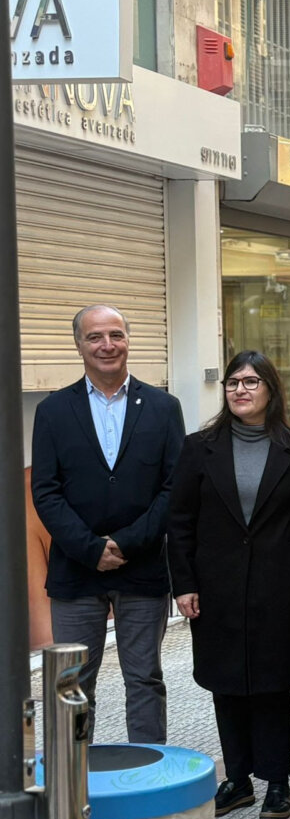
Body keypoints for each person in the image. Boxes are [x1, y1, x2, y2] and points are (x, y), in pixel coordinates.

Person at [168, 352, 290, 819]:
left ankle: (277, 781)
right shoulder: (198, 447)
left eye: (252, 382)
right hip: (217, 586)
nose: (241, 390)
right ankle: (237, 779)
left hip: (279, 586)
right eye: (233, 382)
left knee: (270, 684)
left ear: (271, 389)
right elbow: (181, 520)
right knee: (226, 683)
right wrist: (184, 583)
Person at [31, 304, 185, 744]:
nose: (107, 345)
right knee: (70, 685)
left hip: (143, 569)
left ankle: (149, 774)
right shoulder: (53, 410)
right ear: (78, 344)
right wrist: (90, 548)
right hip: (75, 571)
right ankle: (72, 781)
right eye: (95, 336)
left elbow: (173, 488)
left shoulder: (162, 407)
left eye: (116, 334)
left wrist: (125, 544)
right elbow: (46, 490)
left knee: (145, 680)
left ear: (128, 340)